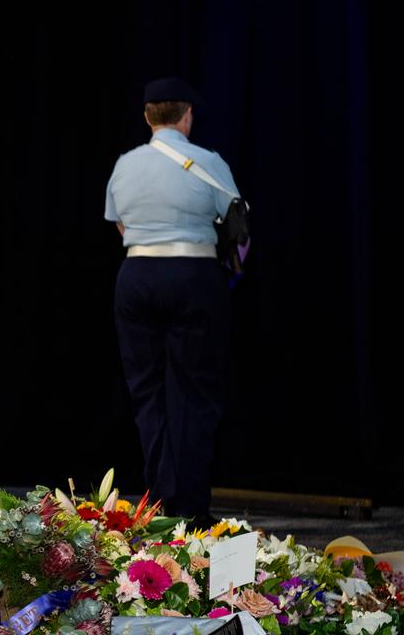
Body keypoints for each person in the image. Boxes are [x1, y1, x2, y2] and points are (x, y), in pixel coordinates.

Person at [104, 77, 240, 526]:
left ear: (147, 117)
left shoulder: (124, 165)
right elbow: (239, 227)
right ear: (187, 116)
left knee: (147, 393)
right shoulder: (208, 162)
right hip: (194, 275)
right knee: (195, 393)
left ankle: (159, 504)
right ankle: (192, 509)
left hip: (137, 275)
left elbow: (119, 225)